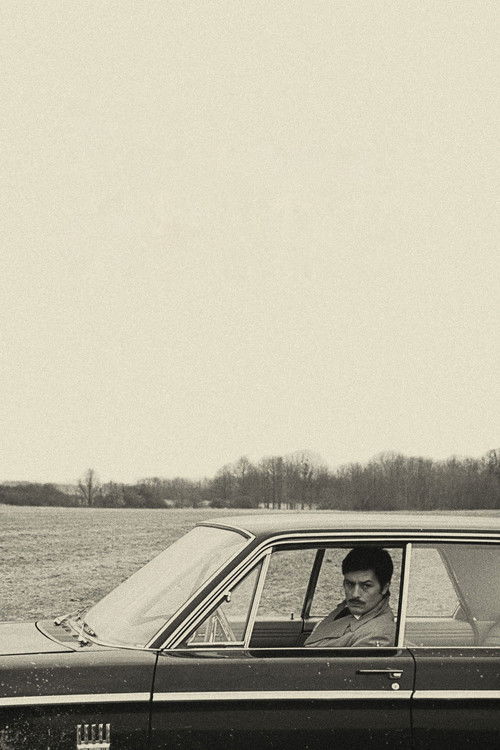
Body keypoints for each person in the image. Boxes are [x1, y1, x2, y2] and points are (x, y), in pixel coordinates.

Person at [305, 546, 396, 648]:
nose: (355, 594)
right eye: (350, 584)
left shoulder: (376, 636)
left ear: (384, 588)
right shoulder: (352, 610)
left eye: (366, 586)